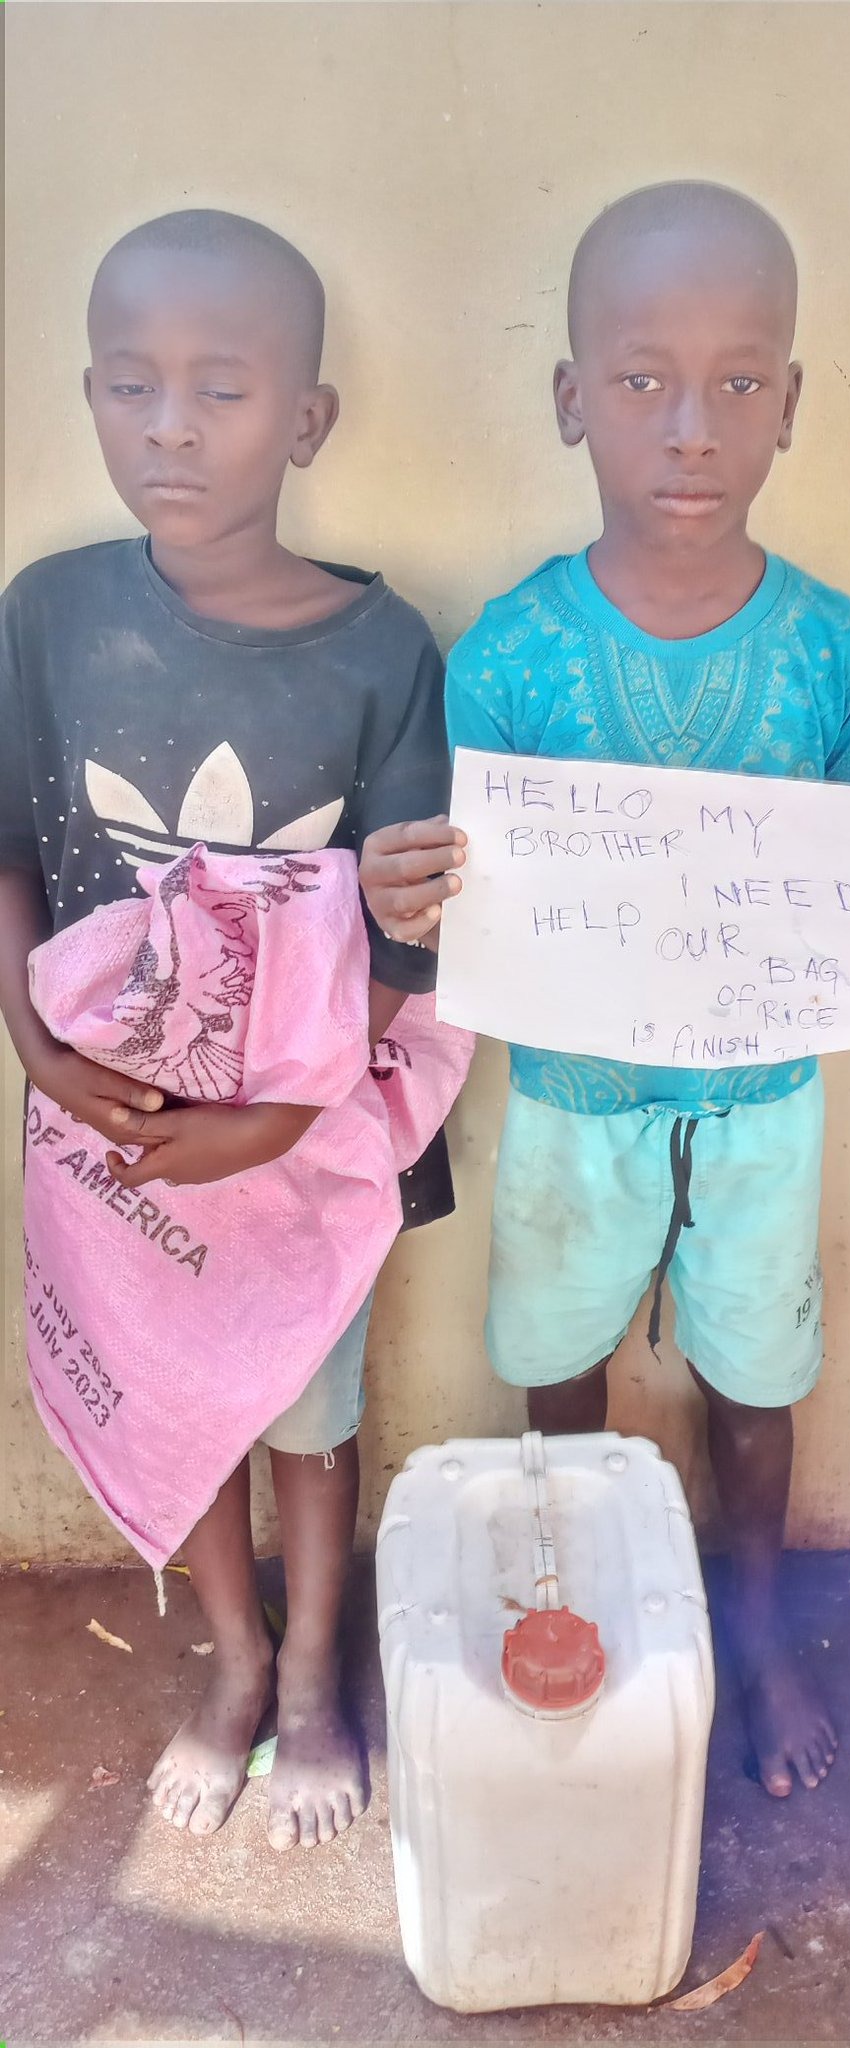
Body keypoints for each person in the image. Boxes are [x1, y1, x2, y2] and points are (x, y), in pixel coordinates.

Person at [359, 180, 850, 1799]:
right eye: (641, 380)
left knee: (754, 1383)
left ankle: (754, 1641)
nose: (690, 426)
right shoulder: (506, 656)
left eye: (737, 381)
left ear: (789, 403)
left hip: (761, 1104)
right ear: (572, 398)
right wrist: (408, 891)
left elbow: (848, 893)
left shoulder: (840, 654)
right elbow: (465, 902)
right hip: (574, 1102)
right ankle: (577, 1602)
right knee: (559, 1371)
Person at [0, 209, 455, 1846]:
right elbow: (9, 845)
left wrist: (270, 1124)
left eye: (222, 389)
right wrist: (39, 1052)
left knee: (310, 1412)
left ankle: (317, 1671)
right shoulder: (49, 613)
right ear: (88, 398)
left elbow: (410, 931)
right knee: (164, 1389)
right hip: (104, 1126)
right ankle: (237, 1663)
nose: (172, 427)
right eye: (131, 386)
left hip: (303, 1135)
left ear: (306, 419)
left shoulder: (387, 654)